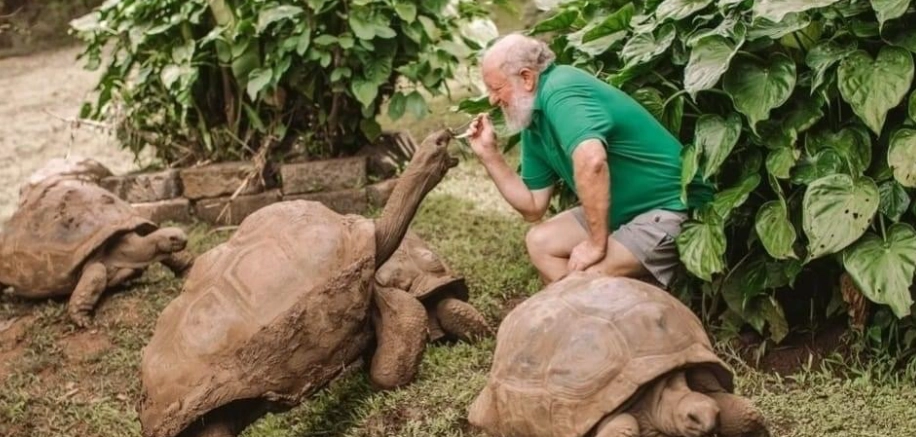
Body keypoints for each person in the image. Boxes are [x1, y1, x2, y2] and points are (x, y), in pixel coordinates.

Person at [461, 33, 713, 289]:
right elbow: (533, 207)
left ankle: (602, 309)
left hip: (671, 207)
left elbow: (592, 161)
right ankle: (588, 311)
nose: (492, 99)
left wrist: (595, 244)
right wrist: (490, 155)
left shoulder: (561, 89)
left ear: (526, 78)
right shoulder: (534, 118)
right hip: (621, 212)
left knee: (587, 277)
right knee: (540, 243)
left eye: (496, 89)